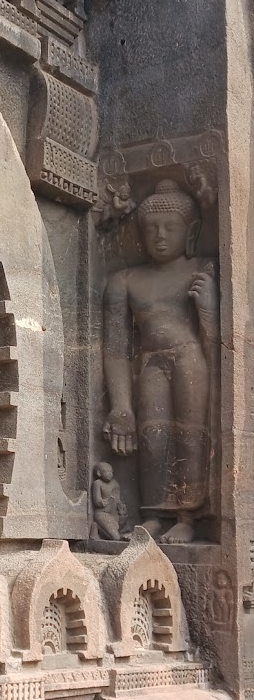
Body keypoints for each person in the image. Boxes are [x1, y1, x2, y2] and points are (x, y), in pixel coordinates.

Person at [102, 180, 218, 544]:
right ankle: (153, 513)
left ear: (192, 232)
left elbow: (216, 337)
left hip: (190, 358)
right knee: (153, 437)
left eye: (170, 227)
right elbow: (115, 349)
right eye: (151, 228)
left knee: (191, 435)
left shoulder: (203, 269)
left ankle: (187, 515)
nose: (160, 236)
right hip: (149, 365)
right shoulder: (125, 281)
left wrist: (210, 311)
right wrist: (121, 406)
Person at [90, 461, 129, 541]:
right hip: (102, 514)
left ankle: (113, 533)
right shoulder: (97, 483)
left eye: (111, 471)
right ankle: (96, 527)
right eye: (106, 471)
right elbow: (97, 501)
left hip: (114, 515)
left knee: (123, 518)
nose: (109, 473)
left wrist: (121, 507)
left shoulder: (115, 484)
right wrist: (106, 501)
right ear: (99, 473)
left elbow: (118, 500)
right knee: (116, 537)